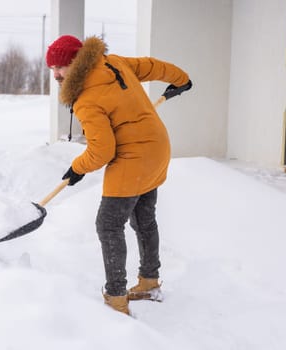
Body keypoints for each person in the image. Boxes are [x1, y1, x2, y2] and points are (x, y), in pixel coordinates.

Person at [46, 34, 192, 315]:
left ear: (76, 62)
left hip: (134, 158)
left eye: (60, 67)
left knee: (108, 224)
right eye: (51, 68)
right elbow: (152, 66)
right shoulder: (113, 63)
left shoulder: (85, 100)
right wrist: (181, 78)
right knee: (144, 218)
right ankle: (149, 281)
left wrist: (77, 168)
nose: (55, 74)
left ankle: (115, 298)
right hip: (157, 148)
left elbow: (102, 152)